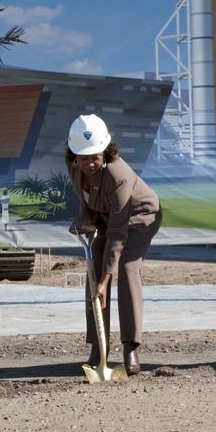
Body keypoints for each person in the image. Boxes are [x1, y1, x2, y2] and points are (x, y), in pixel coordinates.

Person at [66, 113, 162, 376]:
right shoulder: (73, 164)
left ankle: (131, 346)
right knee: (92, 272)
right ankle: (99, 348)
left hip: (140, 216)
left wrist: (107, 280)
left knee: (127, 268)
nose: (89, 164)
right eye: (83, 158)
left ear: (105, 151)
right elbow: (84, 196)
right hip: (106, 216)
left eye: (95, 157)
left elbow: (118, 233)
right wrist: (85, 220)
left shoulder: (118, 175)